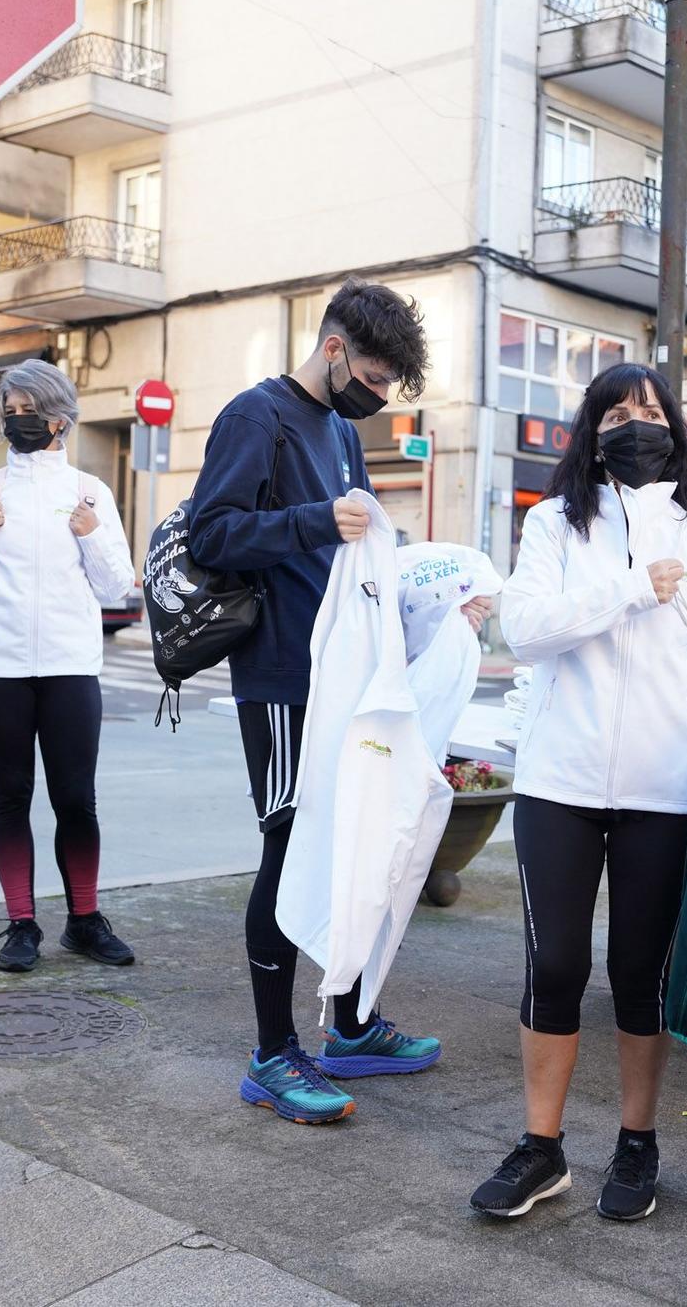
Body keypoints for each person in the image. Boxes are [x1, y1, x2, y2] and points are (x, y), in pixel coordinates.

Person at [471, 362, 687, 1223]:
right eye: (615, 412)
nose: (633, 424)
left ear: (675, 430)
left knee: (640, 972)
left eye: (649, 411)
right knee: (554, 965)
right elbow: (526, 628)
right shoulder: (551, 525)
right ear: (592, 429)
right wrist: (628, 587)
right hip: (560, 782)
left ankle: (637, 1141)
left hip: (667, 786)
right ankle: (542, 1151)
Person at [187, 278, 477, 1124]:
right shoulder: (257, 416)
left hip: (348, 680)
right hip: (281, 679)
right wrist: (317, 520)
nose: (380, 395)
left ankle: (349, 1024)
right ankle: (274, 1054)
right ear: (335, 348)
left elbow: (357, 560)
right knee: (289, 848)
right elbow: (213, 535)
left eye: (391, 384)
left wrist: (438, 600)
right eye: (376, 376)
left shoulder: (342, 433)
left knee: (355, 845)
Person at [0, 359, 139, 972]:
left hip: (69, 665)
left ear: (60, 419)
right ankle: (22, 923)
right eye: (10, 409)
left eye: (28, 410)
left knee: (76, 798)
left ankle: (83, 920)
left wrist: (91, 533)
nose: (17, 420)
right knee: (10, 795)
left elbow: (116, 588)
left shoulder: (90, 492)